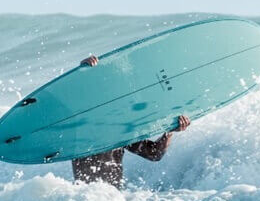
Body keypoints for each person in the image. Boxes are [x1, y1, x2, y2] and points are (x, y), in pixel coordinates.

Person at [71, 55, 190, 188]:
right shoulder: (77, 124)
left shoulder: (120, 129)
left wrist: (169, 131)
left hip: (113, 199)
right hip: (85, 198)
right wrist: (81, 74)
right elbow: (68, 103)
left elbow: (154, 154)